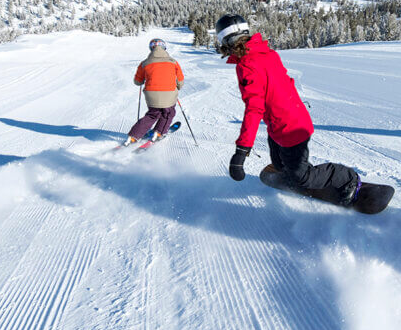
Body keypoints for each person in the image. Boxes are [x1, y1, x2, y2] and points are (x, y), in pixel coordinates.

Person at [216, 14, 362, 206]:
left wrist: (241, 151)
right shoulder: (264, 53)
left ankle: (348, 178)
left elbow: (254, 109)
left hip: (291, 127)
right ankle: (292, 175)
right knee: (279, 166)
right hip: (280, 123)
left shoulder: (247, 64)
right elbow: (285, 82)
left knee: (302, 177)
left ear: (226, 39)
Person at [123, 38, 185, 146]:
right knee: (168, 113)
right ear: (164, 47)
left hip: (151, 95)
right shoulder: (173, 62)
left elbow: (137, 81)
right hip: (169, 93)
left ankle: (133, 136)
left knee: (152, 115)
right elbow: (180, 80)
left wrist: (143, 79)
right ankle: (159, 132)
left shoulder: (145, 63)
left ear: (151, 48)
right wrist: (178, 87)